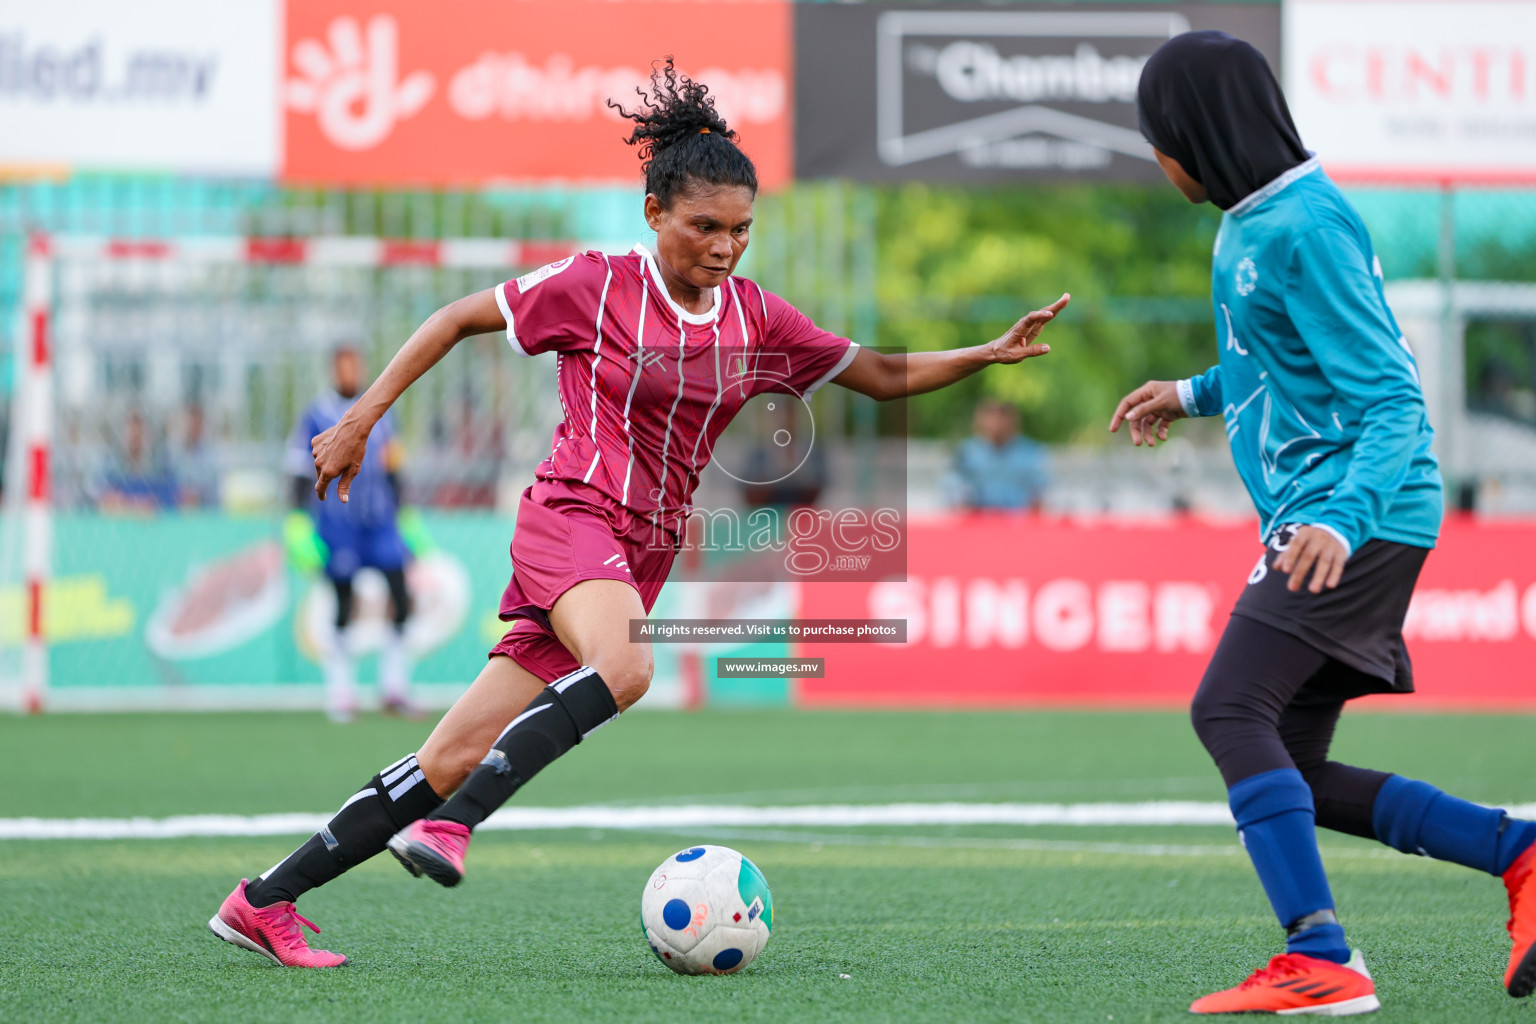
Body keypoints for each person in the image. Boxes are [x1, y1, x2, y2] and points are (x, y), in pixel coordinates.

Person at [208, 60, 1069, 968]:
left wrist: (987, 352)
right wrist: (360, 419)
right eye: (704, 226)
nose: (725, 246)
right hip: (571, 516)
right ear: (655, 213)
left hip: (640, 553)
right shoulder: (595, 284)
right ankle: (455, 830)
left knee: (455, 751)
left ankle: (264, 901)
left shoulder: (758, 318)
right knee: (627, 668)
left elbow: (882, 372)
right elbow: (457, 318)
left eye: (740, 230)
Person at [1112, 31, 1536, 1016]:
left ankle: (1322, 954)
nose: (1160, 160)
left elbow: (1394, 400)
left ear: (1199, 135)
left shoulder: (1306, 224)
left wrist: (1343, 518)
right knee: (1292, 762)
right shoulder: (1255, 222)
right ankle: (1518, 854)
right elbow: (1283, 360)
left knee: (1226, 710)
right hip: (1336, 512)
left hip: (1357, 513)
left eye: (1158, 140)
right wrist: (1189, 389)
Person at [283, 345, 417, 722]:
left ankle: (394, 685)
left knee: (402, 595)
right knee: (344, 602)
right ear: (332, 370)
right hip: (338, 523)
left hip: (381, 521)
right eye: (343, 365)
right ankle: (341, 690)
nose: (350, 372)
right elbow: (297, 469)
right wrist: (297, 522)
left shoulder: (381, 411)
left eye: (355, 364)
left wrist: (404, 516)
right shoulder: (316, 415)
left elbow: (393, 466)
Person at [948, 398, 1049, 511]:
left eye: (1003, 413)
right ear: (979, 418)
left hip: (1019, 524)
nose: (996, 419)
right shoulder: (966, 453)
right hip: (977, 523)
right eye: (990, 412)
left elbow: (1040, 496)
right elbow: (955, 493)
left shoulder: (1031, 452)